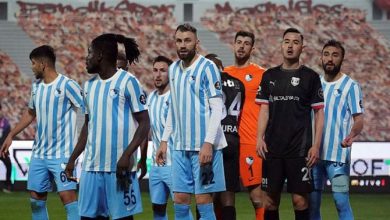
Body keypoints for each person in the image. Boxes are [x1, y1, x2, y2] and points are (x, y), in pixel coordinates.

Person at [65, 33, 150, 220]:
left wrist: (127, 155)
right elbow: (88, 125)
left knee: (123, 218)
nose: (86, 58)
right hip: (91, 167)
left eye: (89, 53)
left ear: (100, 55)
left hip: (120, 168)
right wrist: (73, 159)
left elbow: (145, 122)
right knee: (88, 218)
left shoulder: (128, 82)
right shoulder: (88, 86)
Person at [0, 45, 82, 220]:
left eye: (34, 63)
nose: (32, 67)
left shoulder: (68, 85)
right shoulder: (36, 86)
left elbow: (89, 110)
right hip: (39, 153)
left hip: (63, 153)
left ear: (43, 64)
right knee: (36, 200)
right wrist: (11, 134)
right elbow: (31, 113)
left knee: (67, 198)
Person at [156, 23, 227, 220]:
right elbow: (174, 108)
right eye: (179, 41)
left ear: (197, 43)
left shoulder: (208, 67)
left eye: (187, 40)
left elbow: (217, 108)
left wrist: (208, 143)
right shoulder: (173, 70)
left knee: (203, 200)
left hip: (203, 147)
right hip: (179, 147)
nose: (183, 45)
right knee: (179, 199)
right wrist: (164, 140)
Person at [256, 28, 324, 220]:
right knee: (269, 201)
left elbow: (319, 113)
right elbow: (264, 110)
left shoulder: (311, 77)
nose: (290, 46)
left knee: (300, 201)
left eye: (295, 42)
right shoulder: (269, 76)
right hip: (272, 149)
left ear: (302, 47)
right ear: (281, 45)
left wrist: (316, 146)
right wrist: (258, 138)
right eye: (287, 41)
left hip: (300, 150)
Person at [310, 40, 364, 220]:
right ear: (321, 57)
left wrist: (352, 135)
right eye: (326, 54)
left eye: (335, 55)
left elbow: (359, 120)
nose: (330, 59)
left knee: (340, 201)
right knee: (312, 204)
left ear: (342, 59)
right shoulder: (314, 83)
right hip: (315, 156)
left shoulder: (351, 86)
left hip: (338, 157)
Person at [224, 30, 265, 220]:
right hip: (228, 142)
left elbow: (268, 109)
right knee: (224, 196)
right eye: (238, 42)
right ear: (233, 45)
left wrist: (263, 137)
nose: (241, 46)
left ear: (252, 48)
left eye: (246, 43)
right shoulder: (224, 74)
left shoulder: (261, 75)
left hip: (250, 142)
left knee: (257, 198)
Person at [205, 54, 245, 220]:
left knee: (206, 193)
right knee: (228, 195)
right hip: (232, 139)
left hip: (214, 140)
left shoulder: (207, 83)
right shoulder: (238, 84)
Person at [144, 55, 174, 220]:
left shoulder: (176, 98)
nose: (158, 74)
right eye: (155, 70)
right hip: (156, 164)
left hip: (175, 162)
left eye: (163, 70)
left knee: (181, 206)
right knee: (158, 208)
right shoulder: (151, 98)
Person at [0, 103, 12, 193]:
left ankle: (7, 185)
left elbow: (7, 136)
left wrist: (5, 148)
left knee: (8, 164)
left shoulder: (5, 122)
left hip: (2, 149)